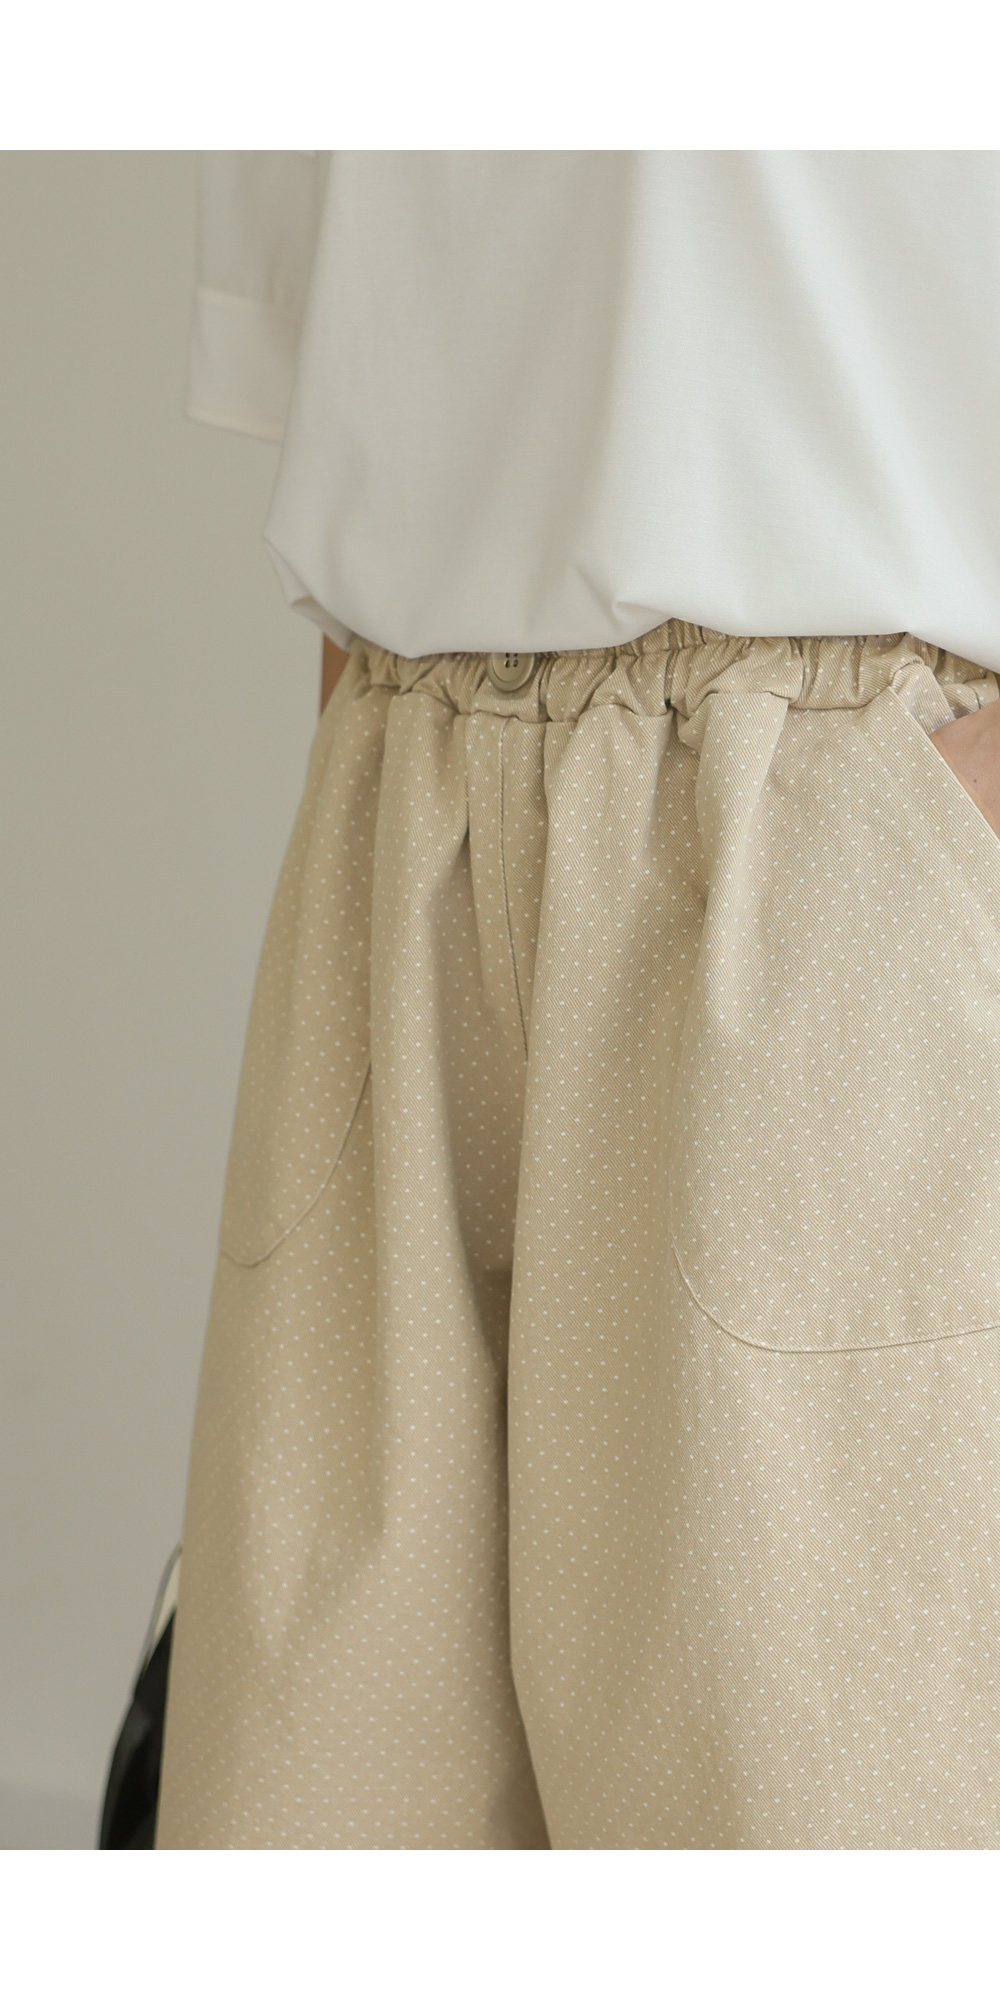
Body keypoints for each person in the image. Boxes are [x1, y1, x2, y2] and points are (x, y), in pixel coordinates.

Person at [156, 152, 1000, 1849]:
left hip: (828, 844)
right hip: (399, 825)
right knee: (318, 1812)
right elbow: (359, 375)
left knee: (814, 1813)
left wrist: (928, 828)